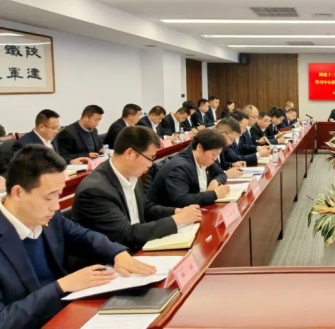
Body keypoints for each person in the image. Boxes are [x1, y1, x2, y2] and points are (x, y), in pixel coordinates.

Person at [0, 145, 156, 328]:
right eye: (49, 197)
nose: (56, 207)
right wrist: (61, 286)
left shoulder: (50, 217)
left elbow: (84, 236)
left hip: (69, 313)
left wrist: (117, 253)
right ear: (18, 192)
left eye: (58, 196)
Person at [72, 126, 202, 250]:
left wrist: (177, 212)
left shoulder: (132, 174)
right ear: (130, 153)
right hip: (112, 259)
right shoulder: (95, 191)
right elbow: (126, 234)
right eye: (150, 158)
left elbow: (145, 208)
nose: (151, 164)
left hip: (138, 246)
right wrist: (176, 220)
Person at [147, 129, 229, 207]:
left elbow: (221, 173)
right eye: (214, 154)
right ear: (200, 148)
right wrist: (214, 194)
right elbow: (181, 200)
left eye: (217, 155)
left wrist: (216, 181)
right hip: (167, 214)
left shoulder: (203, 158)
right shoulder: (180, 168)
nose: (215, 159)